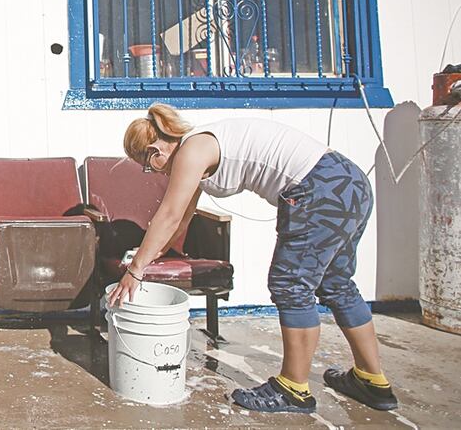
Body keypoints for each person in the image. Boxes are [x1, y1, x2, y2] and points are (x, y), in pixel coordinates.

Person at [109, 103, 398, 414]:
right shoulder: (200, 145)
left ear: (155, 150)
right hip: (348, 181)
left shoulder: (192, 150)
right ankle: (371, 380)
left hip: (317, 189)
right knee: (336, 283)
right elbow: (180, 220)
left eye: (149, 166)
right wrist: (154, 255)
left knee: (290, 285)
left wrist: (135, 271)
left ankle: (293, 389)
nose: (154, 172)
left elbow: (168, 214)